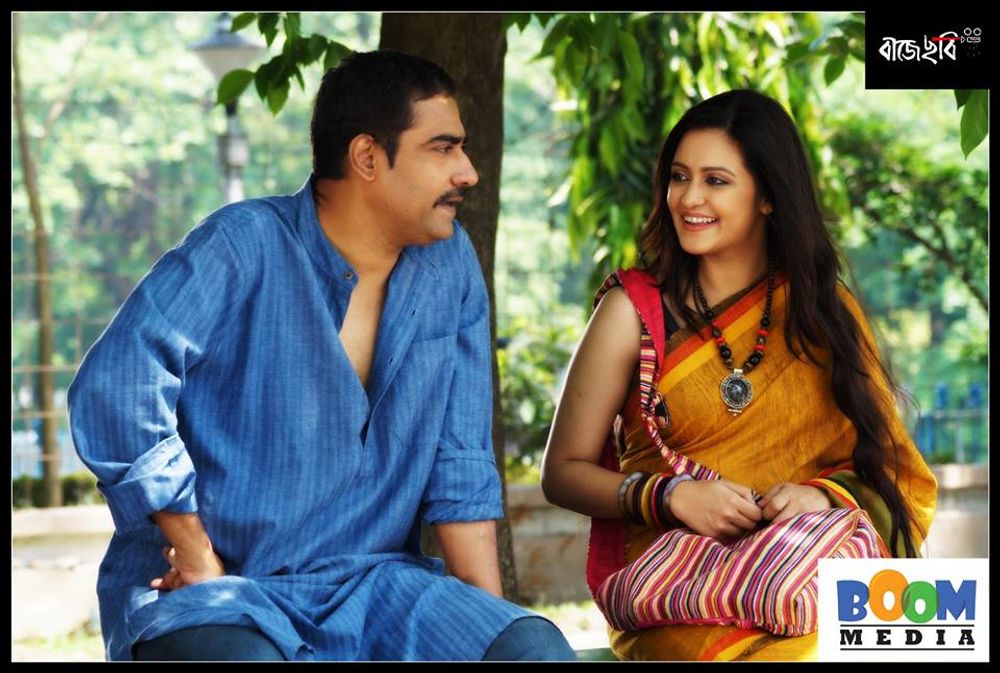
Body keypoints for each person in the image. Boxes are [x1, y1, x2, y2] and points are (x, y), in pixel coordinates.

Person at [67, 50, 575, 662]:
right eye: (443, 148)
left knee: (530, 648)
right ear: (367, 157)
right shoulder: (243, 245)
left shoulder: (450, 265)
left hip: (377, 589)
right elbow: (117, 385)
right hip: (225, 591)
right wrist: (193, 551)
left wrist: (486, 627)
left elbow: (459, 463)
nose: (467, 171)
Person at [540, 90, 937, 661]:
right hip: (681, 584)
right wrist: (671, 496)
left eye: (716, 181)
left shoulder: (822, 313)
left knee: (928, 634)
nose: (689, 198)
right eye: (679, 177)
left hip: (804, 566)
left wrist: (821, 496)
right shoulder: (633, 312)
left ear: (768, 196)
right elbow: (562, 473)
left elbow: (895, 471)